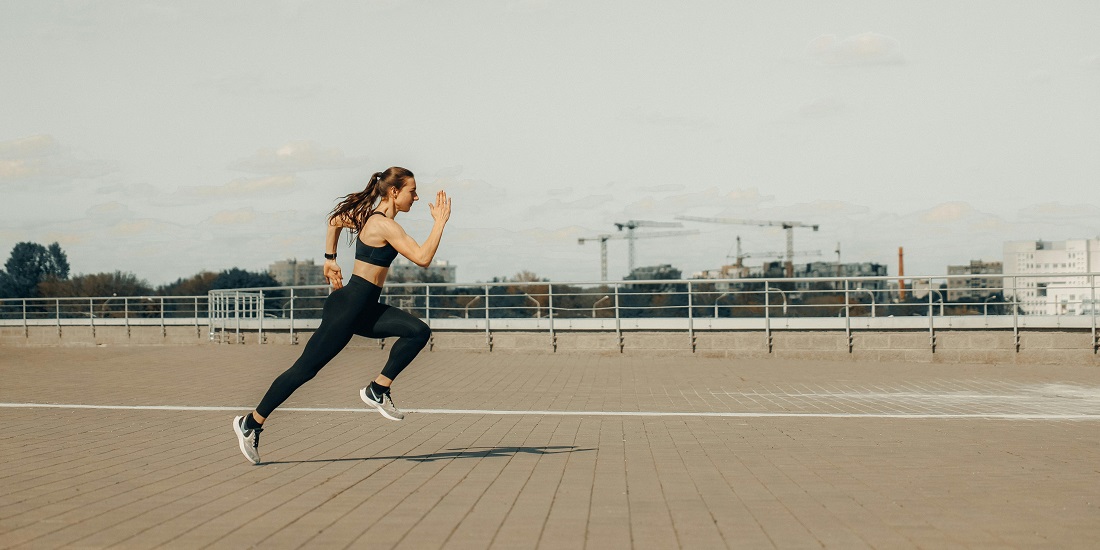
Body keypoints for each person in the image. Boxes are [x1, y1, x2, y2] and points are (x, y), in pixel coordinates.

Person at [233, 167, 451, 465]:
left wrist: (330, 259)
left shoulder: (371, 218)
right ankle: (251, 423)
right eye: (412, 191)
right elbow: (424, 258)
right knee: (304, 371)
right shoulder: (383, 225)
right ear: (394, 192)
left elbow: (335, 221)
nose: (416, 196)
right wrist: (439, 223)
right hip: (348, 308)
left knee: (417, 331)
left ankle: (377, 388)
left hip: (365, 307)